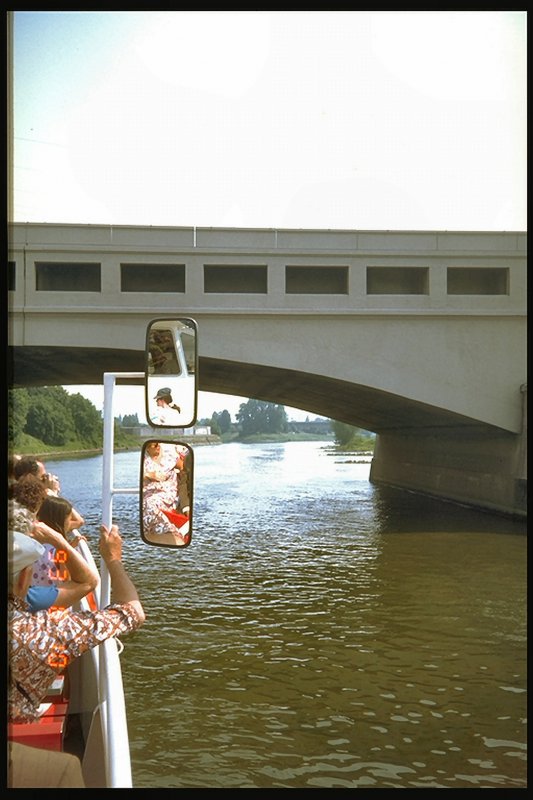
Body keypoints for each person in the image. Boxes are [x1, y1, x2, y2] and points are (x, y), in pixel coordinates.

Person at [8, 524, 145, 724]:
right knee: (69, 758)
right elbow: (132, 611)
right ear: (23, 579)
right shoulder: (40, 631)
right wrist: (113, 560)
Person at [32, 495, 86, 587]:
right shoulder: (59, 549)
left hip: (33, 594)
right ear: (63, 520)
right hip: (52, 597)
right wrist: (70, 550)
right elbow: (67, 578)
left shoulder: (33, 540)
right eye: (69, 519)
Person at [142, 441, 189, 545]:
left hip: (167, 491)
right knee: (146, 503)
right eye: (154, 446)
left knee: (151, 503)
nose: (158, 446)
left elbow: (182, 468)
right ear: (148, 449)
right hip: (149, 491)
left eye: (158, 444)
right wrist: (149, 475)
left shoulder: (169, 454)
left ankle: (171, 532)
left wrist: (181, 480)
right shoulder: (144, 461)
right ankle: (154, 531)